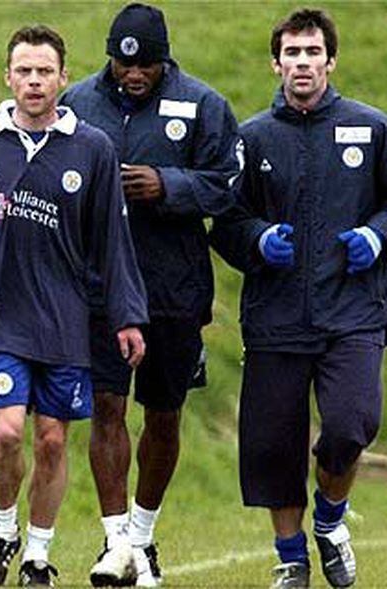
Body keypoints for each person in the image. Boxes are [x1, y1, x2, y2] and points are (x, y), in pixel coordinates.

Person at [60, 3, 242, 586]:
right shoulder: (78, 105)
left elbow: (227, 187)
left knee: (163, 417)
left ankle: (143, 536)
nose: (134, 76)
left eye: (147, 67)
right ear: (110, 58)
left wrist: (169, 184)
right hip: (99, 290)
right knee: (106, 409)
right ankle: (116, 544)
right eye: (123, 65)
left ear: (165, 61)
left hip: (173, 290)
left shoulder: (205, 105)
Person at [210, 8, 387, 589]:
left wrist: (375, 235)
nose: (302, 63)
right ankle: (291, 558)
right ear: (276, 62)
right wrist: (257, 239)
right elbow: (227, 220)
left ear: (331, 61)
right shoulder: (253, 136)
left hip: (352, 312)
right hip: (277, 315)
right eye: (292, 53)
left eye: (313, 53)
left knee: (350, 424)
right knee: (271, 448)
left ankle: (331, 520)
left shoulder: (371, 127)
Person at [0, 25, 147, 588]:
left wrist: (126, 315)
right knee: (5, 433)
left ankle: (38, 556)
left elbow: (112, 243)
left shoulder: (92, 147)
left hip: (65, 319)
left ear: (63, 79)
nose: (33, 81)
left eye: (44, 71)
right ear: (8, 77)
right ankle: (3, 531)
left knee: (51, 438)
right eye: (24, 70)